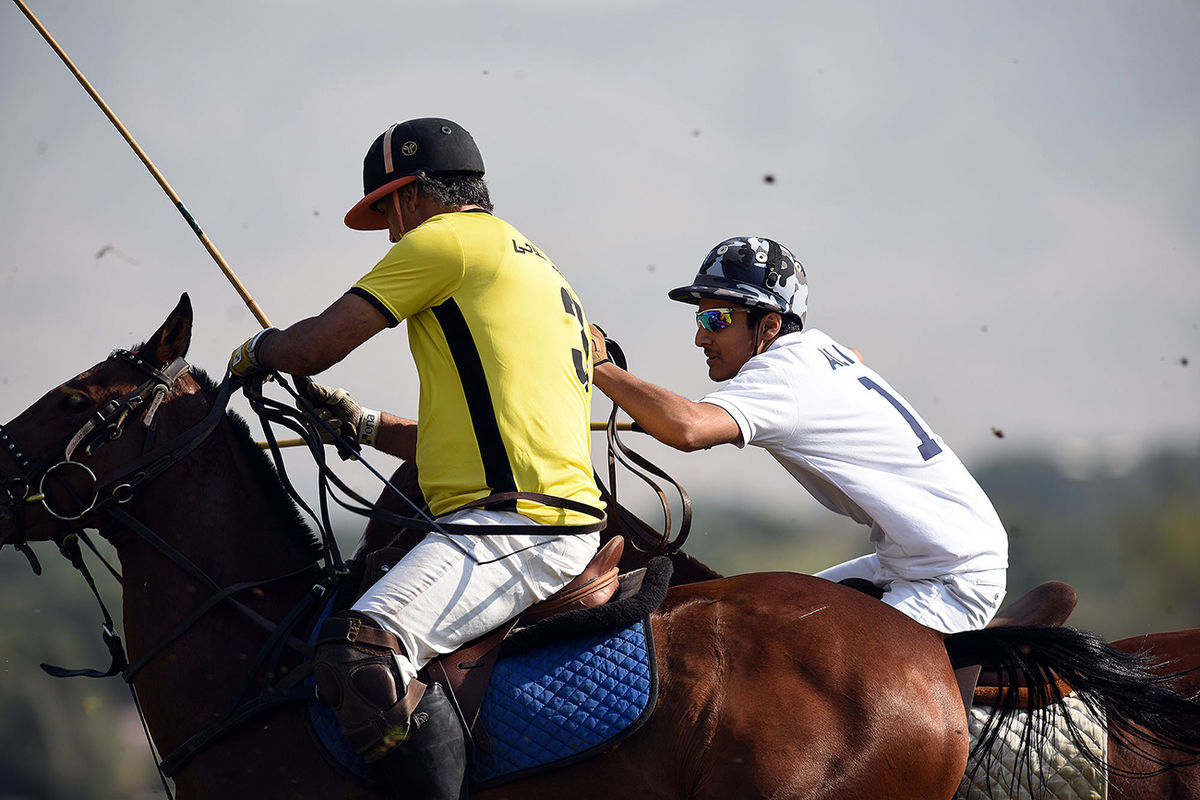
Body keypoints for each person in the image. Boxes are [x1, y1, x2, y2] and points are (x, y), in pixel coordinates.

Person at [229, 117, 604, 799]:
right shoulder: (535, 261)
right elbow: (474, 433)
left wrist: (260, 350)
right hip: (545, 514)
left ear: (407, 198)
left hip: (517, 527)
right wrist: (363, 423)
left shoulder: (441, 242)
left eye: (387, 217)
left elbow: (315, 347)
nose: (392, 236)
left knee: (356, 649)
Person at [589, 235, 1007, 634]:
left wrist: (601, 366)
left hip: (950, 578)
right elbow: (846, 367)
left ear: (769, 326)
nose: (701, 336)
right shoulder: (819, 351)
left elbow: (686, 429)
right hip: (904, 562)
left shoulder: (783, 376)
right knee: (753, 628)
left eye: (716, 319)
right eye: (700, 318)